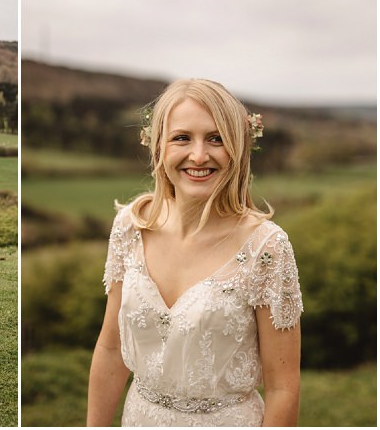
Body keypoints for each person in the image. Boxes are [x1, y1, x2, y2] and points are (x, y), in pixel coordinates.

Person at [87, 79, 302, 426]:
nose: (199, 155)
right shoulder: (130, 226)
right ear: (158, 147)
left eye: (216, 138)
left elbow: (283, 389)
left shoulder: (268, 248)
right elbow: (111, 350)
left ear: (238, 148)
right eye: (182, 138)